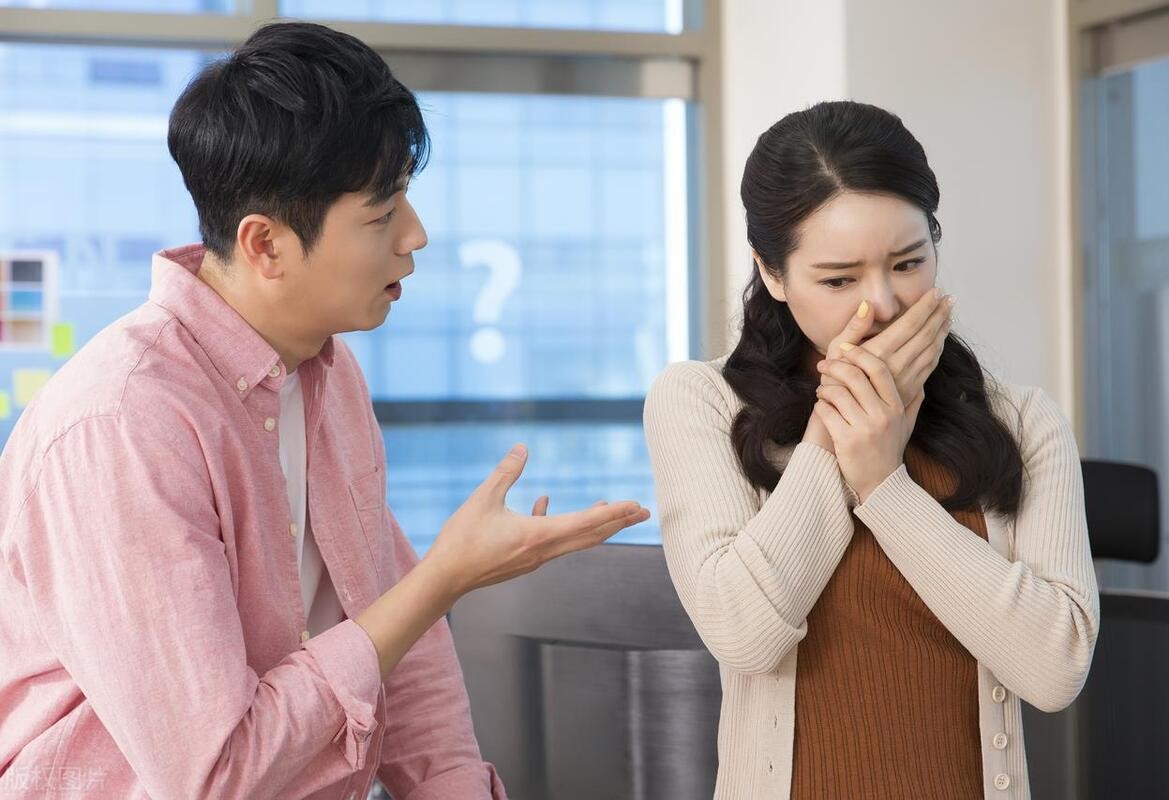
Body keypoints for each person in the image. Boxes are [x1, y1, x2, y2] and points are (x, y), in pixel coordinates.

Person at [0, 21, 649, 800]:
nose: (416, 236)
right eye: (381, 215)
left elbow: (405, 659)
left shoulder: (328, 375)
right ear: (265, 245)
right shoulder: (123, 427)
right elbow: (218, 777)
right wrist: (442, 579)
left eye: (406, 198)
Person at [643, 100, 1098, 800]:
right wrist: (837, 431)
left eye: (909, 263)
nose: (882, 305)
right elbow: (742, 634)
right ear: (772, 272)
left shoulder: (1022, 419)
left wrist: (886, 487)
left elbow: (1056, 669)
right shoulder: (701, 402)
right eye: (839, 280)